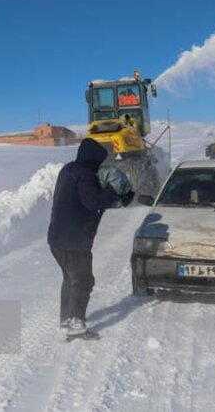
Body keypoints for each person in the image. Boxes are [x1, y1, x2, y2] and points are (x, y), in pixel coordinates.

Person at [48, 138, 135, 339]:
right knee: (83, 281)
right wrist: (116, 196)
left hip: (57, 239)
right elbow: (93, 202)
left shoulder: (68, 170)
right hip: (74, 242)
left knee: (70, 279)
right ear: (93, 158)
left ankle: (66, 319)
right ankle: (76, 324)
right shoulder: (85, 175)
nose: (99, 165)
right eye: (99, 161)